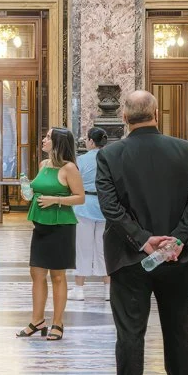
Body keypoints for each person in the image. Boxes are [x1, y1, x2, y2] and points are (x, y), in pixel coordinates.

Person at [95, 88, 188, 375]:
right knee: (179, 331)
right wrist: (177, 239)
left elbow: (110, 208)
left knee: (130, 333)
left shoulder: (110, 155)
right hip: (178, 259)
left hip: (131, 260)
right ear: (157, 113)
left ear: (124, 117)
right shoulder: (186, 150)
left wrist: (144, 241)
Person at [20, 127, 84, 341]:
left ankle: (58, 322)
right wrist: (29, 193)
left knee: (57, 275)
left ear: (58, 143)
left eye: (48, 137)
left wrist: (55, 200)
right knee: (36, 273)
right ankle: (37, 320)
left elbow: (79, 197)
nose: (43, 139)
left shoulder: (69, 168)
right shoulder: (43, 165)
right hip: (40, 225)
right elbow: (39, 189)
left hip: (61, 227)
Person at [73, 125, 109, 302]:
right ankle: (108, 289)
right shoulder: (111, 158)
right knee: (104, 249)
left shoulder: (80, 160)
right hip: (105, 207)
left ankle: (79, 289)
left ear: (91, 141)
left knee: (82, 249)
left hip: (84, 206)